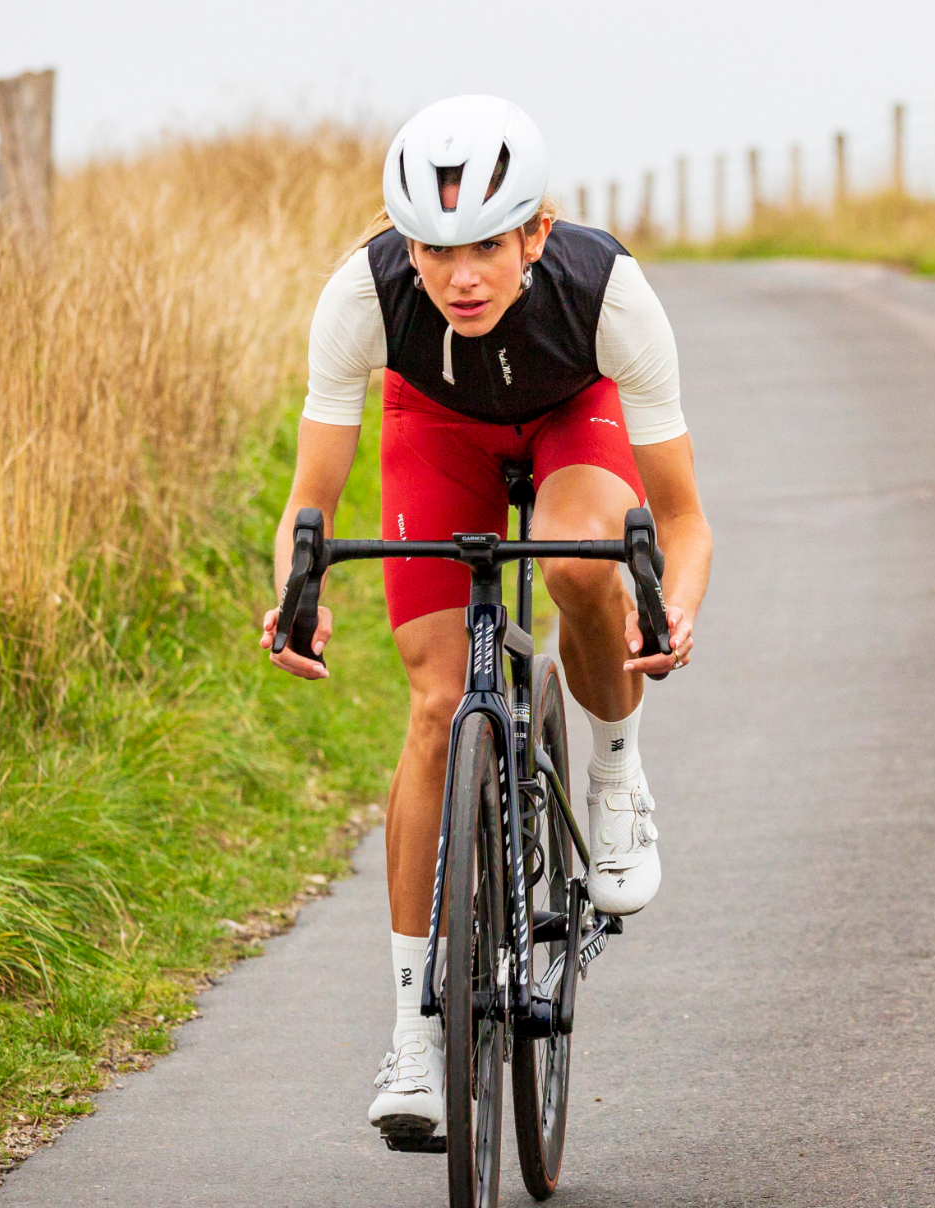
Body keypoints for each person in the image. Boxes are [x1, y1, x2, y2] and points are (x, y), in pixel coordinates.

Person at [257, 96, 713, 1141]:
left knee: (572, 562)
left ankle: (612, 774)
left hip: (571, 418)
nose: (460, 276)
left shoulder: (609, 294)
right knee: (430, 708)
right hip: (439, 432)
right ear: (405, 245)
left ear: (534, 235)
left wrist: (674, 609)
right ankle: (414, 1043)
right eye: (434, 249)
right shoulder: (362, 296)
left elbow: (682, 522)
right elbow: (309, 505)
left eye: (486, 248)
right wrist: (298, 596)